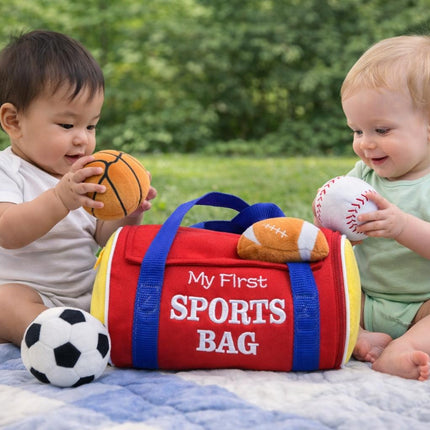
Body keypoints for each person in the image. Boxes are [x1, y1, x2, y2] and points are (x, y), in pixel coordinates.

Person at [0, 30, 156, 346]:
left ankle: (104, 331)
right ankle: (52, 336)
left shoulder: (87, 176)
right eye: (67, 125)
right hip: (29, 293)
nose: (82, 138)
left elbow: (102, 236)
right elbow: (8, 231)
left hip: (87, 290)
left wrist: (128, 212)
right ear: (14, 122)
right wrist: (60, 198)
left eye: (91, 125)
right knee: (4, 304)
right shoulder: (8, 170)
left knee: (136, 285)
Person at [315, 35, 430, 381]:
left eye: (381, 129)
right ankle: (360, 335)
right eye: (357, 130)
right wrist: (326, 214)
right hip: (361, 299)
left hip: (422, 306)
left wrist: (401, 226)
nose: (365, 143)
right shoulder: (363, 174)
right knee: (310, 291)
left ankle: (404, 347)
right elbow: (334, 224)